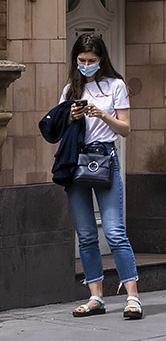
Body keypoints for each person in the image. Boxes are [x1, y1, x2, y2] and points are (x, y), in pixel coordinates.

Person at [50, 34, 143, 320]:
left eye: (91, 61)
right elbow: (57, 130)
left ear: (101, 59)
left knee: (114, 232)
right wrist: (70, 118)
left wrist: (101, 115)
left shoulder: (115, 86)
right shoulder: (70, 89)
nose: (86, 65)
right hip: (76, 160)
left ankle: (133, 297)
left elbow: (126, 129)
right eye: (81, 61)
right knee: (87, 235)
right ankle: (95, 297)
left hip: (104, 158)